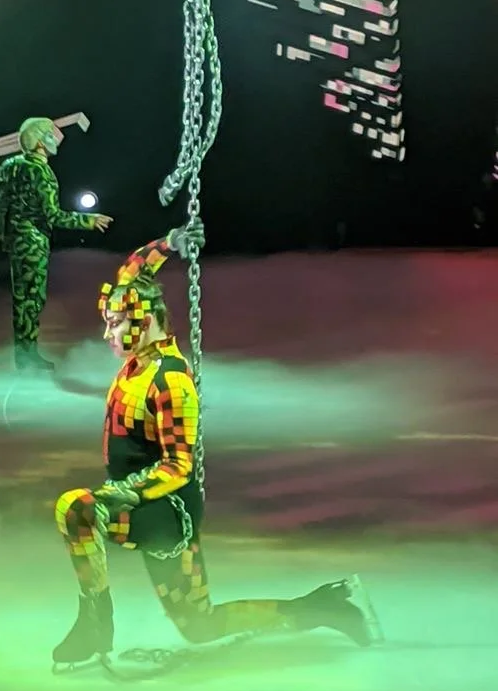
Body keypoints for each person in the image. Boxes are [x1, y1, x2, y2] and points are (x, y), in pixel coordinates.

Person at [52, 220, 382, 667]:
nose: (108, 334)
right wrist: (168, 243)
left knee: (77, 508)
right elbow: (131, 272)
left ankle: (95, 624)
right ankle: (326, 606)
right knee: (198, 624)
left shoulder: (169, 380)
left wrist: (123, 493)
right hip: (139, 503)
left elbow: (178, 466)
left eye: (115, 324)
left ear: (144, 320)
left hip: (166, 511)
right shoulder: (138, 356)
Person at [0, 117, 113, 370]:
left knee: (22, 299)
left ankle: (23, 354)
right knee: (32, 299)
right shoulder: (42, 173)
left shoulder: (10, 165)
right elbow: (53, 216)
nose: (55, 140)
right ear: (40, 140)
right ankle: (26, 357)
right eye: (51, 135)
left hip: (16, 241)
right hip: (33, 243)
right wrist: (88, 221)